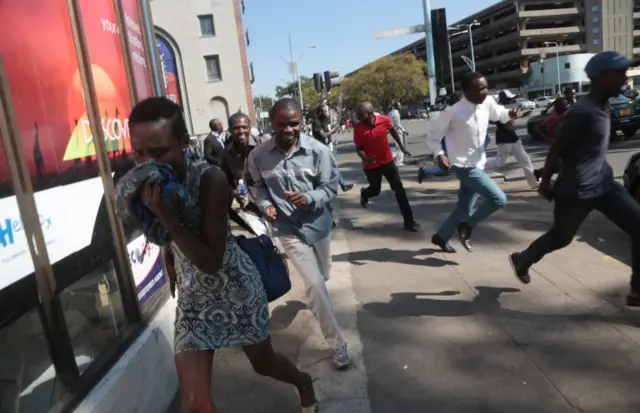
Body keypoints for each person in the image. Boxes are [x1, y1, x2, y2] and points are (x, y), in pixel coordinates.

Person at [126, 97, 318, 413]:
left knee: (263, 363)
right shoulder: (151, 183)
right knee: (195, 404)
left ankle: (303, 381)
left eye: (160, 152)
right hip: (194, 301)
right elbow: (163, 236)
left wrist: (168, 218)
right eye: (139, 153)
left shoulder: (209, 180)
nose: (149, 163)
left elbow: (211, 260)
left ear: (184, 143)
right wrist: (170, 263)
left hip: (236, 291)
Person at [508, 51, 640, 309]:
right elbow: (558, 147)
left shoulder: (604, 106)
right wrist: (545, 183)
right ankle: (523, 258)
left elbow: (583, 149)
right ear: (602, 77)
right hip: (576, 191)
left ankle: (638, 290)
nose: (624, 78)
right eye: (620, 73)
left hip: (604, 185)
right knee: (561, 237)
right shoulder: (583, 112)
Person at [247, 98, 350, 370]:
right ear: (272, 123)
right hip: (287, 229)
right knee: (315, 284)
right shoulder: (258, 156)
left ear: (302, 122)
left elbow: (330, 190)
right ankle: (338, 344)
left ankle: (316, 297)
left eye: (294, 124)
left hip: (318, 224)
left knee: (323, 275)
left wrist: (309, 197)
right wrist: (266, 205)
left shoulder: (319, 152)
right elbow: (257, 187)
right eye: (283, 124)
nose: (289, 129)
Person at [427, 72, 518, 253]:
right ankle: (467, 227)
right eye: (480, 89)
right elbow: (433, 136)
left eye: (486, 87)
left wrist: (509, 114)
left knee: (464, 208)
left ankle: (441, 237)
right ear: (467, 91)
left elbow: (499, 114)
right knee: (498, 198)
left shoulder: (487, 102)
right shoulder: (453, 112)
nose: (485, 92)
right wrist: (439, 155)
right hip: (463, 166)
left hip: (478, 163)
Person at [355, 101, 420, 232]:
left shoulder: (384, 120)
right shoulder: (358, 128)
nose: (359, 119)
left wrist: (402, 148)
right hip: (371, 166)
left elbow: (393, 132)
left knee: (399, 190)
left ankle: (409, 221)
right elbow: (359, 148)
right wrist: (365, 158)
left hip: (387, 162)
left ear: (370, 114)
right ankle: (365, 194)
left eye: (361, 116)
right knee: (375, 190)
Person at [485, 91, 539, 190]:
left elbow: (508, 120)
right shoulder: (497, 109)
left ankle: (534, 183)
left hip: (514, 138)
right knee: (499, 162)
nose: (511, 100)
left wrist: (521, 115)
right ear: (503, 98)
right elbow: (499, 120)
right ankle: (478, 166)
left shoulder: (504, 108)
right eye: (509, 98)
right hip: (505, 139)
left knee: (525, 160)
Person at [312, 105, 354, 192]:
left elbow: (328, 132)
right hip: (320, 149)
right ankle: (341, 184)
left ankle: (342, 184)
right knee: (330, 167)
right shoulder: (316, 122)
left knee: (331, 166)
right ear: (320, 112)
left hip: (327, 147)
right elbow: (324, 135)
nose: (327, 113)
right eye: (325, 111)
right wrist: (338, 126)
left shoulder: (324, 121)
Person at [533, 97, 569, 181]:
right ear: (558, 106)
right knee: (564, 166)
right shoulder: (554, 117)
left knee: (561, 166)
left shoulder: (565, 113)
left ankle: (540, 173)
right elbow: (538, 127)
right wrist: (544, 135)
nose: (566, 105)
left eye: (566, 103)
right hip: (557, 145)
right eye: (563, 104)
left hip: (565, 144)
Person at [388, 102, 409, 166]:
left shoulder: (390, 112)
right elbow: (397, 124)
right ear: (396, 106)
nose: (400, 106)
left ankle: (392, 158)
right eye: (399, 105)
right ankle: (399, 161)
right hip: (397, 131)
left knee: (397, 146)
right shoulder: (396, 113)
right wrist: (404, 130)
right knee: (400, 146)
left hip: (392, 130)